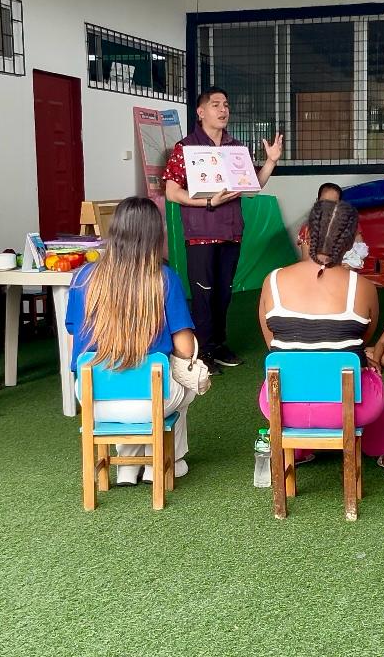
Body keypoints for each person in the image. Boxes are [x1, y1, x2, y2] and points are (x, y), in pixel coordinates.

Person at [257, 199, 384, 476]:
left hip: (282, 407)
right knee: (364, 369)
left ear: (306, 234)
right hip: (351, 407)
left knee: (292, 364)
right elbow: (362, 339)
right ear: (350, 243)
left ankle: (297, 450)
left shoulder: (273, 280)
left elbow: (272, 344)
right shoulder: (363, 287)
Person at [65, 197, 198, 485]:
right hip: (151, 399)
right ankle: (164, 461)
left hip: (93, 398)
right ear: (155, 235)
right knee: (183, 384)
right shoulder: (164, 278)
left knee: (130, 382)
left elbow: (74, 335)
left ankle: (127, 467)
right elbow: (186, 348)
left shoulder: (83, 277)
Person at [163, 86, 283, 375]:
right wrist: (208, 202)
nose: (223, 110)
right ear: (200, 112)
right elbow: (171, 192)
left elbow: (252, 187)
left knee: (223, 293)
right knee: (203, 294)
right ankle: (201, 351)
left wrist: (271, 161)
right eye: (216, 104)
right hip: (200, 233)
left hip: (231, 232)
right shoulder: (186, 147)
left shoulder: (235, 148)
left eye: (226, 105)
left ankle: (218, 345)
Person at [296, 182, 368, 268]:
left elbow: (361, 253)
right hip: (318, 273)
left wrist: (351, 266)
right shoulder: (307, 229)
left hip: (345, 272)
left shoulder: (351, 225)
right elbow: (306, 262)